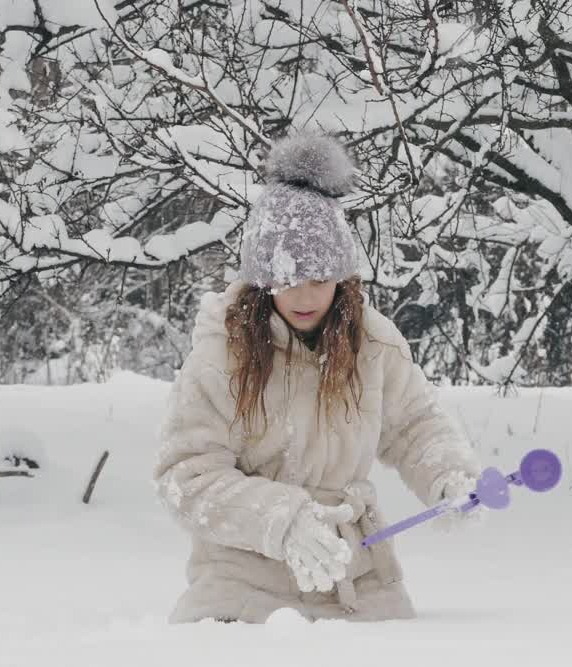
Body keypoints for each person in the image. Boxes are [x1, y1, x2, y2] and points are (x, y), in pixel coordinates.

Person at [151, 131, 484, 624]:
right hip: (241, 585)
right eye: (289, 279)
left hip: (358, 580)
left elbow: (415, 424)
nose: (306, 296)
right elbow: (187, 478)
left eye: (320, 280)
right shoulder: (221, 356)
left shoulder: (372, 344)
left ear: (342, 279)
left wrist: (447, 475)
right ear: (264, 279)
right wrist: (282, 520)